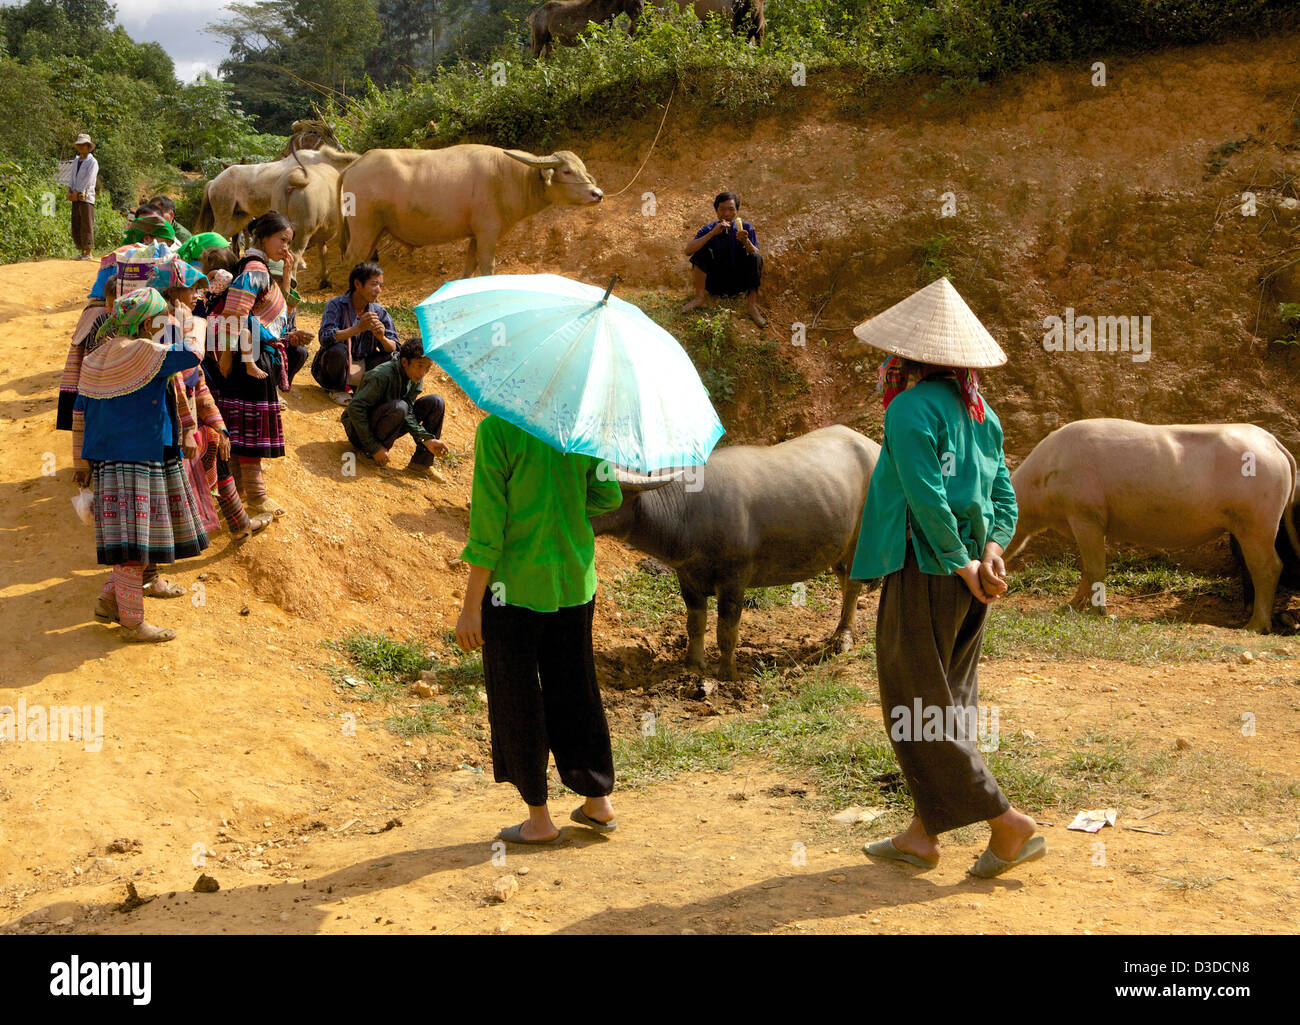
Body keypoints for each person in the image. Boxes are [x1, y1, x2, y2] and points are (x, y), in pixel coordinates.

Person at [850, 279, 1045, 879]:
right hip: (970, 581)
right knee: (949, 705)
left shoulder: (908, 408)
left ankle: (1007, 823)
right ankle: (921, 835)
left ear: (909, 353)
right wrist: (990, 551)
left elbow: (924, 495)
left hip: (927, 571)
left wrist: (960, 560)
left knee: (914, 705)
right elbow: (1003, 494)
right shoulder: (980, 411)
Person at [455, 413, 625, 844]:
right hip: (573, 582)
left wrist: (471, 606)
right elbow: (608, 495)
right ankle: (597, 801)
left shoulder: (498, 430)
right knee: (576, 687)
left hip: (512, 590)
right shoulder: (587, 430)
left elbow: (488, 524)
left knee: (517, 697)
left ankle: (539, 820)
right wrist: (563, 512)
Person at [71, 288, 210, 642]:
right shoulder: (147, 353)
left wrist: (81, 463)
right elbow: (194, 353)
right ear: (148, 323)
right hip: (138, 458)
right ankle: (133, 624)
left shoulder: (95, 359)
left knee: (130, 540)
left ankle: (108, 601)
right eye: (161, 319)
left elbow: (80, 415)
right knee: (133, 548)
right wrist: (194, 323)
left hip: (107, 461)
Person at [150, 257, 272, 541]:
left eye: (198, 290)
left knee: (216, 446)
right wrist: (191, 428)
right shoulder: (162, 328)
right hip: (163, 420)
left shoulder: (181, 323)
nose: (196, 296)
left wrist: (219, 425)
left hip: (179, 415)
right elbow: (179, 382)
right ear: (170, 292)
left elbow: (198, 382)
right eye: (190, 289)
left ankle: (238, 522)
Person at [202, 211, 309, 518]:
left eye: (289, 242)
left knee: (238, 433)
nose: (286, 247)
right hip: (247, 358)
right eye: (282, 240)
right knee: (248, 435)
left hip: (244, 356)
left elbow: (281, 313)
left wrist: (287, 273)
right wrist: (226, 355)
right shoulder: (255, 269)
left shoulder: (259, 269)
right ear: (263, 237)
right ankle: (258, 499)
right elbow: (236, 313)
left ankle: (237, 495)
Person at [342, 338, 449, 481]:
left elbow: (409, 411)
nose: (423, 372)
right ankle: (369, 454)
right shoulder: (382, 375)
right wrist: (374, 447)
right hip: (359, 432)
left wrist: (426, 440)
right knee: (400, 407)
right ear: (404, 362)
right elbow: (355, 409)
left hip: (392, 418)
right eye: (420, 366)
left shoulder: (415, 376)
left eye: (428, 368)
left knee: (436, 402)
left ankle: (421, 463)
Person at [312, 261, 398, 405]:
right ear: (357, 284)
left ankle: (366, 390)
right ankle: (337, 389)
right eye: (374, 284)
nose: (379, 290)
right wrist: (357, 328)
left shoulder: (379, 312)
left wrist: (382, 338)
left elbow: (394, 347)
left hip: (362, 368)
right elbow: (325, 337)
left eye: (380, 286)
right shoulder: (336, 305)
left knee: (392, 357)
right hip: (334, 370)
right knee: (337, 349)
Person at [682, 191, 766, 327]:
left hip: (739, 284)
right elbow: (688, 251)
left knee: (755, 257)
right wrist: (711, 234)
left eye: (731, 209)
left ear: (737, 211)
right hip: (715, 283)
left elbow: (757, 255)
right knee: (700, 251)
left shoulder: (746, 228)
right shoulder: (710, 228)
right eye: (722, 209)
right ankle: (700, 298)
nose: (726, 214)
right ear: (716, 211)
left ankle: (751, 306)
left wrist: (746, 242)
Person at [67, 133, 99, 260]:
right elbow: (72, 177)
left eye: (83, 145)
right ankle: (82, 250)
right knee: (77, 223)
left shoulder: (92, 162)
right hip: (75, 196)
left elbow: (89, 179)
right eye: (79, 145)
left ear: (88, 146)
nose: (81, 147)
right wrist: (69, 190)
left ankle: (88, 251)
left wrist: (77, 192)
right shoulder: (76, 160)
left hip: (86, 196)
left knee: (87, 223)